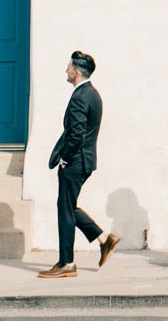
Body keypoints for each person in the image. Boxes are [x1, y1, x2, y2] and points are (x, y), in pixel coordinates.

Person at [38, 50, 118, 279]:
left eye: (68, 67)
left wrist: (65, 158)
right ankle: (104, 239)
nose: (66, 70)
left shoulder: (80, 96)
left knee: (64, 210)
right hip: (84, 160)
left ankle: (67, 263)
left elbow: (76, 135)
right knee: (68, 207)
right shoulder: (92, 93)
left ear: (77, 71)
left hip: (75, 161)